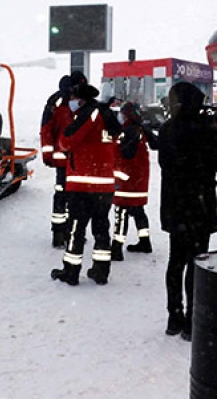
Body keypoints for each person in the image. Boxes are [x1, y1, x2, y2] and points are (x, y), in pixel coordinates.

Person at [158, 82, 217, 340]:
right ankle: (192, 320)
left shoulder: (167, 129)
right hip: (200, 206)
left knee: (175, 262)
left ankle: (173, 317)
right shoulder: (208, 129)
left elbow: (166, 162)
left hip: (175, 205)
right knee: (197, 262)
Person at [50, 83, 122, 286]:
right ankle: (101, 271)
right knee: (101, 229)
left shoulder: (88, 114)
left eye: (73, 99)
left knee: (75, 228)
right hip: (105, 185)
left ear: (80, 99)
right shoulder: (108, 116)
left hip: (83, 184)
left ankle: (70, 272)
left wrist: (63, 141)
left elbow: (67, 141)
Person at [40, 71, 88, 247]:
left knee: (69, 196)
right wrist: (48, 154)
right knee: (68, 196)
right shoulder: (59, 105)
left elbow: (46, 129)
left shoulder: (62, 104)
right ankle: (63, 233)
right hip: (69, 161)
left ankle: (67, 232)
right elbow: (47, 129)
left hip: (74, 161)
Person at [110, 101, 159, 261]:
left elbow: (125, 155)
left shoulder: (127, 132)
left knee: (121, 212)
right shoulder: (142, 130)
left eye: (122, 113)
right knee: (138, 211)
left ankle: (116, 247)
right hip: (140, 180)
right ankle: (145, 241)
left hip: (126, 181)